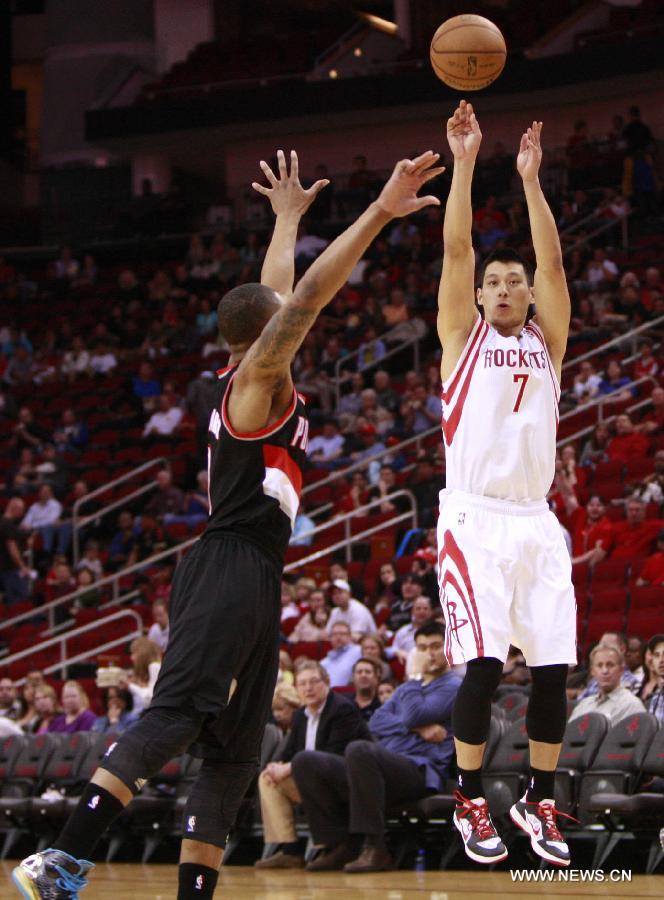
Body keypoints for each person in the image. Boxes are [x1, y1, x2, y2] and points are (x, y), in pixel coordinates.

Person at [14, 144, 444, 899]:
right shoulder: (255, 382)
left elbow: (277, 291)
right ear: (265, 338)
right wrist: (378, 210)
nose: (295, 330)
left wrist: (284, 219)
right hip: (228, 562)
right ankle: (62, 859)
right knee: (177, 714)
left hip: (253, 572)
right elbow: (302, 298)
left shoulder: (247, 367)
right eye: (283, 327)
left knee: (235, 754)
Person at [436, 102, 577, 867]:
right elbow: (456, 250)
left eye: (511, 281)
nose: (500, 288)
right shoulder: (461, 340)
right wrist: (464, 164)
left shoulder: (547, 344)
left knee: (553, 664)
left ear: (525, 295)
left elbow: (555, 266)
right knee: (486, 665)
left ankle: (539, 798)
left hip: (535, 520)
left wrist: (530, 180)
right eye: (492, 282)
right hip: (474, 519)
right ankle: (467, 798)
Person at [292, 622, 460, 872]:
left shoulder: (453, 685)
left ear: (448, 649)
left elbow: (414, 714)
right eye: (422, 648)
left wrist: (414, 677)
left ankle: (376, 847)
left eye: (435, 646)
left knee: (359, 749)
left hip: (420, 771)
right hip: (382, 768)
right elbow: (376, 722)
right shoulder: (406, 690)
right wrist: (418, 728)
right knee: (306, 761)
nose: (428, 654)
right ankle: (341, 844)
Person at [254, 660, 370, 869]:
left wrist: (289, 767)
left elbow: (334, 756)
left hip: (346, 783)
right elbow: (289, 752)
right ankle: (290, 850)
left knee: (305, 765)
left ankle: (335, 846)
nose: (308, 688)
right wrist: (275, 766)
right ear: (296, 688)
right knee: (267, 779)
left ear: (327, 682)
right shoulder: (300, 716)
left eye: (314, 682)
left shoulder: (342, 709)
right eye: (302, 683)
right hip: (311, 781)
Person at [569, 644, 645, 727]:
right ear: (592, 671)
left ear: (621, 670)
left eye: (610, 665)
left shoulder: (631, 704)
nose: (605, 671)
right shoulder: (584, 705)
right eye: (599, 665)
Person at [321, 622, 363, 688]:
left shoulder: (359, 651)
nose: (338, 637)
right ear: (330, 638)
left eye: (342, 634)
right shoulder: (324, 662)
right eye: (334, 634)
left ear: (350, 636)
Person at [350, 657, 381, 723]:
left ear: (376, 678)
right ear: (353, 678)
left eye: (368, 672)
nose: (363, 675)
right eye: (359, 672)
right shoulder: (344, 705)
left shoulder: (383, 705)